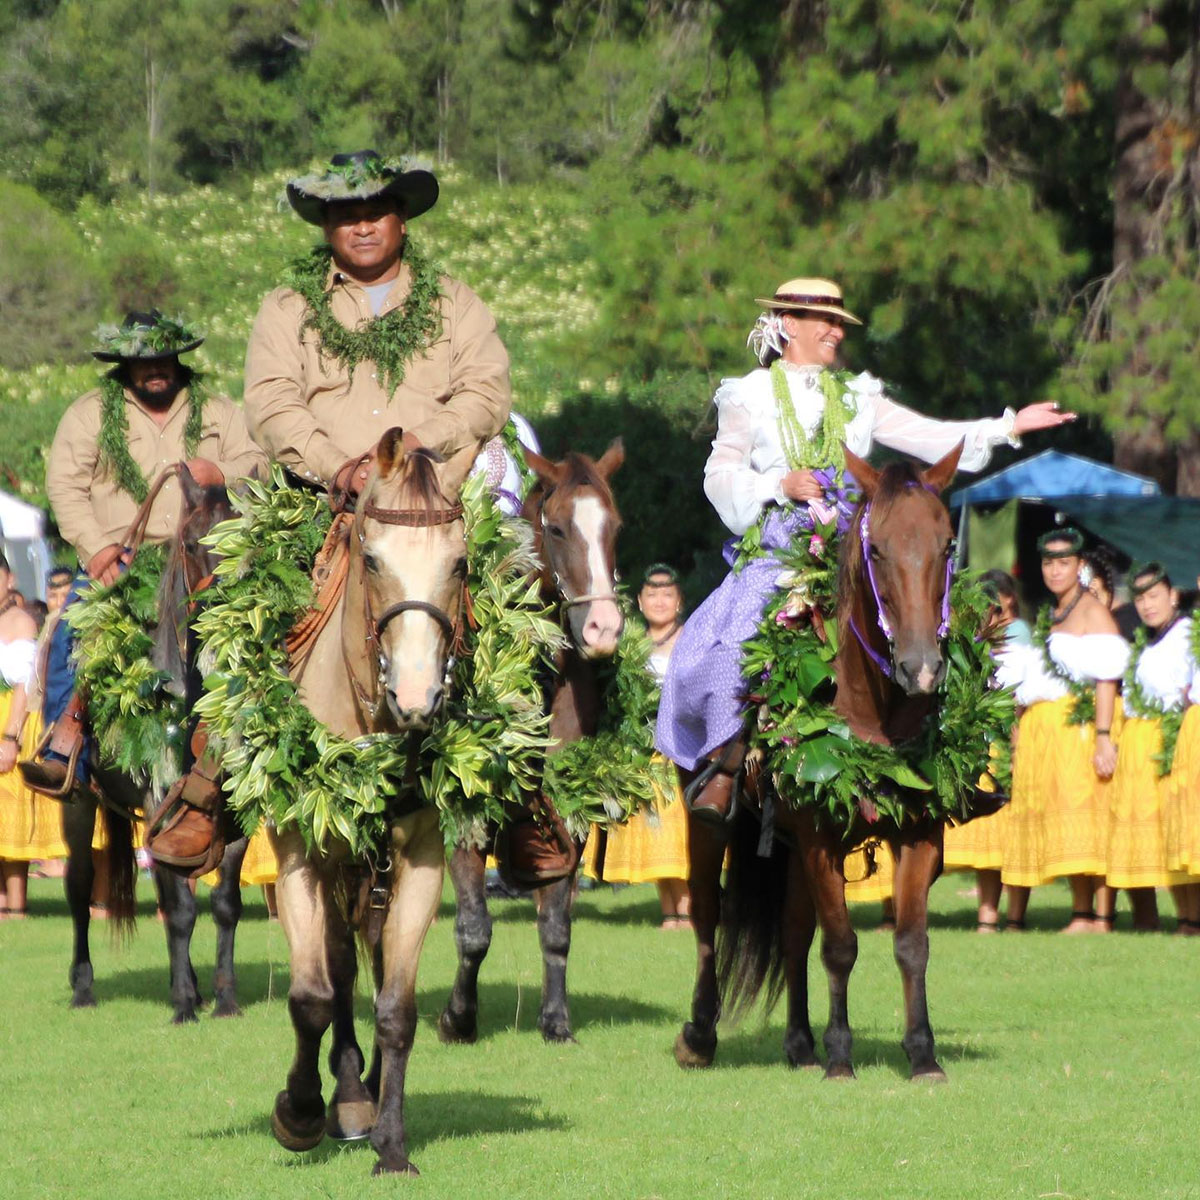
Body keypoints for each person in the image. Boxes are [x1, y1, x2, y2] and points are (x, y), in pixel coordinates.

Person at [655, 276, 1074, 820]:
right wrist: (776, 485)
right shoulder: (747, 395)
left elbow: (932, 437)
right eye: (823, 321)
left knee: (946, 620)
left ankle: (954, 760)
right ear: (787, 325)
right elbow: (719, 473)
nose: (834, 331)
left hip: (859, 544)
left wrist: (1009, 424)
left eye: (838, 323)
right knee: (733, 647)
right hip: (782, 548)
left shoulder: (857, 396)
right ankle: (727, 771)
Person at [19, 311, 266, 797]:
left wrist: (219, 470)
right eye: (141, 362)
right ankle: (62, 746)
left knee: (265, 630)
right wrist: (96, 551)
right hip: (123, 559)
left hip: (206, 558)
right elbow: (64, 488)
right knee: (70, 631)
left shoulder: (216, 409)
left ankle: (266, 740)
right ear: (122, 364)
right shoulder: (89, 413)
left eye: (164, 359)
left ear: (179, 358)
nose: (155, 370)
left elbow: (257, 460)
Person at [244, 149, 511, 498]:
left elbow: (486, 392)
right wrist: (339, 469)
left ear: (402, 222)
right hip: (320, 500)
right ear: (326, 228)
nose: (364, 228)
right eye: (348, 217)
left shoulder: (454, 302)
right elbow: (271, 403)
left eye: (376, 214)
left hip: (437, 499)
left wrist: (413, 445)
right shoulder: (288, 307)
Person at [997, 529, 1127, 932]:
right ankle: (1082, 914)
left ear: (1079, 566)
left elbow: (1106, 676)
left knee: (1083, 812)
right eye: (1048, 563)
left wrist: (1104, 736)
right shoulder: (1054, 611)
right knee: (1056, 814)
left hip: (1078, 725)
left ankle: (1088, 916)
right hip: (1044, 728)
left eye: (1064, 563)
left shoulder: (1092, 611)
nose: (1055, 571)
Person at [584, 564, 691, 928]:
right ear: (641, 604)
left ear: (678, 603)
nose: (659, 601)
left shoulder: (691, 640)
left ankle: (689, 912)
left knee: (680, 834)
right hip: (644, 758)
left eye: (667, 594)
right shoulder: (630, 646)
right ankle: (670, 913)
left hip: (681, 753)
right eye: (652, 595)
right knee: (656, 833)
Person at [1106, 562, 1191, 931]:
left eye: (1154, 596)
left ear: (1173, 596)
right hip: (1138, 743)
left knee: (1178, 828)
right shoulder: (1143, 641)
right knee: (1143, 833)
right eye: (1140, 598)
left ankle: (1192, 918)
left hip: (1169, 739)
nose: (1147, 605)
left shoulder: (1188, 634)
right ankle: (1149, 918)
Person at [943, 568, 1026, 930]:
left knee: (1009, 833)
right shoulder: (968, 646)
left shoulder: (1020, 646)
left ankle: (1011, 916)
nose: (994, 617)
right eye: (987, 609)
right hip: (977, 745)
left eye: (999, 609)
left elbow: (1020, 703)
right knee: (984, 838)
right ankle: (987, 914)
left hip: (1008, 745)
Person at [0, 554, 57, 917]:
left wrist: (10, 736)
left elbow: (24, 683)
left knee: (10, 813)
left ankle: (17, 906)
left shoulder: (21, 621)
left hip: (10, 720)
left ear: (10, 579)